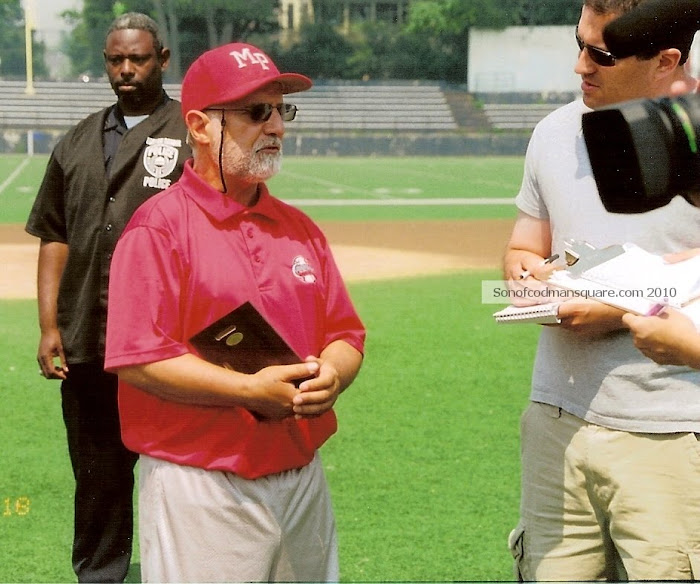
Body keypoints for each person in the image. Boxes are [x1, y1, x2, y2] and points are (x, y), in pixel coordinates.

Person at [103, 42, 366, 582]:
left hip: (301, 474)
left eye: (280, 110)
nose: (276, 127)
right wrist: (249, 391)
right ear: (199, 126)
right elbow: (138, 358)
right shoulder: (158, 228)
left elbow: (345, 332)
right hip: (199, 480)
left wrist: (334, 376)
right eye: (255, 112)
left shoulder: (299, 227)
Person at [503, 0, 700, 579]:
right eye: (579, 43)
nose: (580, 66)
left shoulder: (694, 137)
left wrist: (616, 306)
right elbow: (523, 246)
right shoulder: (553, 131)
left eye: (602, 54)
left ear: (666, 62)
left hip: (672, 429)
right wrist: (527, 279)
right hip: (555, 421)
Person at [24, 13, 190, 583]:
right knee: (97, 475)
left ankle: (193, 569)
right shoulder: (75, 140)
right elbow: (55, 236)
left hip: (170, 343)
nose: (125, 69)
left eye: (137, 58)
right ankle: (99, 575)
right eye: (115, 60)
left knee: (184, 471)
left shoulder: (194, 135)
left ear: (163, 59)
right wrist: (51, 326)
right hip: (89, 340)